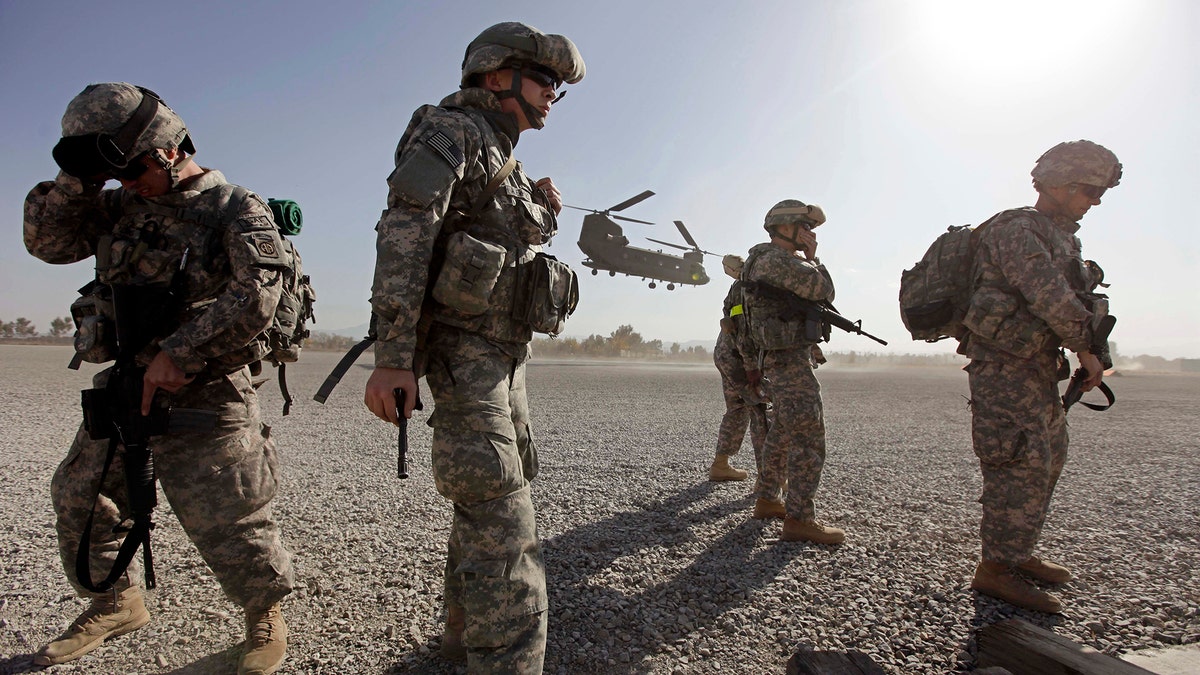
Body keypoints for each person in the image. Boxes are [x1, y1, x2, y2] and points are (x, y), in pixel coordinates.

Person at [23, 83, 294, 674]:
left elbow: (259, 296)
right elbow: (45, 241)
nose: (129, 183)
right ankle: (116, 603)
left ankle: (263, 614)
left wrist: (182, 351)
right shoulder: (121, 207)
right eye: (117, 174)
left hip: (208, 386)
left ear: (170, 150)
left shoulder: (235, 208)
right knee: (80, 496)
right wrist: (81, 177)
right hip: (127, 383)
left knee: (231, 512)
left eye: (136, 168)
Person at [361, 22, 584, 673]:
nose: (551, 95)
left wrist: (542, 205)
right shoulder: (452, 128)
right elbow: (406, 230)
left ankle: (460, 636)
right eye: (544, 80)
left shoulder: (500, 153)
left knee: (485, 504)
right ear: (496, 75)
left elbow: (506, 239)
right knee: (507, 526)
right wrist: (393, 357)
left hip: (506, 362)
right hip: (465, 363)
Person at [961, 140, 1121, 614]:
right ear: (1059, 184)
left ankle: (1018, 553)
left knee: (1048, 458)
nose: (1093, 202)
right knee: (1017, 462)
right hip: (1004, 368)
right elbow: (1049, 295)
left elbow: (1079, 300)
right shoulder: (1018, 229)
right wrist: (1086, 349)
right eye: (1089, 191)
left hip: (1036, 365)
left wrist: (1092, 349)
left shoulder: (1063, 238)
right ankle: (996, 570)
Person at [741, 200, 845, 545]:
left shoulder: (762, 260)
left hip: (779, 357)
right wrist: (815, 259)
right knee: (808, 437)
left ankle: (768, 498)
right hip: (788, 362)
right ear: (786, 227)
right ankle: (800, 518)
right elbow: (823, 290)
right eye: (806, 226)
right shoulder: (779, 261)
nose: (811, 233)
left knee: (783, 431)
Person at [709, 254, 767, 483]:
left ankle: (720, 465)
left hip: (727, 355)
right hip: (737, 358)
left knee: (737, 409)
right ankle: (767, 479)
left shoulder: (736, 288)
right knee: (760, 411)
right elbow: (740, 331)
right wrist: (752, 366)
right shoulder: (745, 289)